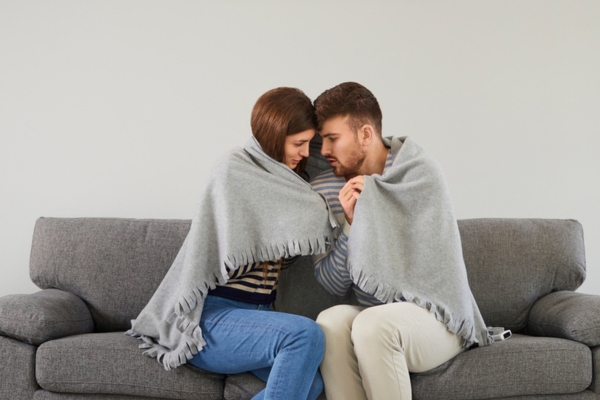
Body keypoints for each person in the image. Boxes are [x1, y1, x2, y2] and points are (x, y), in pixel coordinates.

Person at [127, 87, 336, 400]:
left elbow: (286, 250)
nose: (306, 152)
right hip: (211, 319)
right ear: (275, 135)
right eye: (298, 143)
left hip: (260, 316)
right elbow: (232, 251)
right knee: (304, 336)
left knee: (313, 385)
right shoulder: (233, 168)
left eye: (309, 143)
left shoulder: (292, 184)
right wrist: (312, 211)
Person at [310, 82, 494, 400]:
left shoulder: (417, 174)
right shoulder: (327, 188)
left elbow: (439, 269)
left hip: (436, 316)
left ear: (366, 135)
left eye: (332, 138)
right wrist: (351, 225)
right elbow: (332, 285)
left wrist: (377, 207)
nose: (324, 150)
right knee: (329, 321)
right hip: (374, 314)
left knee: (372, 325)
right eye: (321, 139)